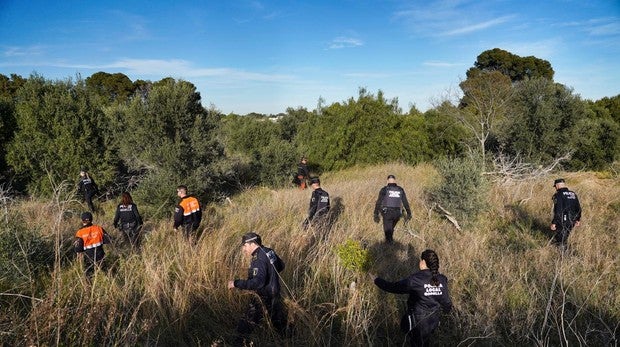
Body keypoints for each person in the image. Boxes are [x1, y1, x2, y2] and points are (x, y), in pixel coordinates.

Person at [374, 249, 452, 347]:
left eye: (420, 260)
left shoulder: (415, 280)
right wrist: (447, 311)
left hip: (417, 321)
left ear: (423, 262)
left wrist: (377, 280)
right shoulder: (442, 279)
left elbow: (393, 287)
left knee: (415, 340)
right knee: (425, 341)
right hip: (433, 320)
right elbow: (446, 302)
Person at [228, 232, 287, 345]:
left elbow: (257, 283)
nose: (243, 249)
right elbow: (281, 265)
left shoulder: (258, 259)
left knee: (244, 327)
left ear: (252, 244)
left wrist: (236, 283)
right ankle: (289, 341)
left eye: (244, 246)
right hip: (275, 293)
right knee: (279, 325)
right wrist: (271, 277)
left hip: (263, 297)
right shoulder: (269, 251)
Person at [373, 174, 412, 243]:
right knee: (390, 229)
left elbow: (378, 202)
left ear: (387, 181)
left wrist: (376, 213)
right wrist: (409, 213)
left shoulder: (384, 189)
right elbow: (405, 202)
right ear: (395, 180)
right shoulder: (400, 189)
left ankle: (389, 246)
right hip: (397, 213)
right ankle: (391, 243)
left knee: (387, 231)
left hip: (387, 213)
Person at [73, 211, 111, 278]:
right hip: (100, 254)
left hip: (88, 256)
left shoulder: (80, 232)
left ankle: (88, 287)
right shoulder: (99, 228)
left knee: (88, 275)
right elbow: (109, 240)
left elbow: (78, 249)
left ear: (82, 220)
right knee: (106, 272)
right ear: (91, 219)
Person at [550, 178, 582, 249]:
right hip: (572, 220)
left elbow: (558, 210)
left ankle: (563, 255)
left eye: (555, 186)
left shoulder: (558, 195)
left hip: (562, 220)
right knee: (566, 235)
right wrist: (578, 219)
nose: (555, 188)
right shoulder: (573, 194)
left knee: (560, 238)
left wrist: (554, 222)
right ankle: (564, 251)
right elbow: (578, 208)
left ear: (557, 185)